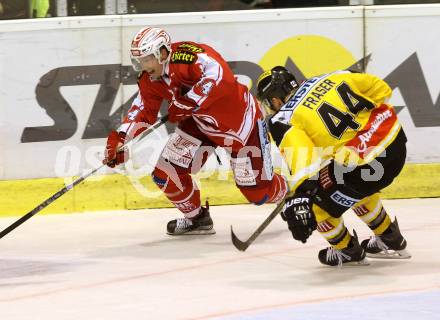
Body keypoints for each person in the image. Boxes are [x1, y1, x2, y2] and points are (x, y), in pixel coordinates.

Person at [103, 27, 288, 235]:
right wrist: (122, 139)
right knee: (166, 174)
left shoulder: (187, 57)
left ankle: (290, 192)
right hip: (202, 125)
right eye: (140, 61)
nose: (144, 66)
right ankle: (197, 219)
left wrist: (189, 101)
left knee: (258, 195)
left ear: (162, 53)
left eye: (147, 59)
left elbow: (220, 75)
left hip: (241, 126)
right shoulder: (150, 79)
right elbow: (142, 110)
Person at [256, 66, 411, 266]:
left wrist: (302, 193)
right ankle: (390, 238)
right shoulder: (329, 77)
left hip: (365, 167)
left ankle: (347, 250)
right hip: (395, 142)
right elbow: (381, 89)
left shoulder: (282, 119)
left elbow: (304, 162)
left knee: (316, 204)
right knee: (342, 180)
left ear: (275, 100)